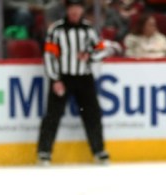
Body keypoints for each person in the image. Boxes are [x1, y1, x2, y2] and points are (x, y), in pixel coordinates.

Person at [37, 0, 115, 165]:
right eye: (72, 8)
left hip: (84, 77)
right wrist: (55, 79)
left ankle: (99, 150)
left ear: (81, 10)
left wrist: (90, 56)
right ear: (67, 10)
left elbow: (101, 51)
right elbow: (49, 56)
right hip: (62, 77)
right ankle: (44, 151)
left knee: (92, 115)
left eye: (77, 8)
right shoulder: (56, 30)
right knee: (52, 115)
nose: (74, 11)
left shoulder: (89, 30)